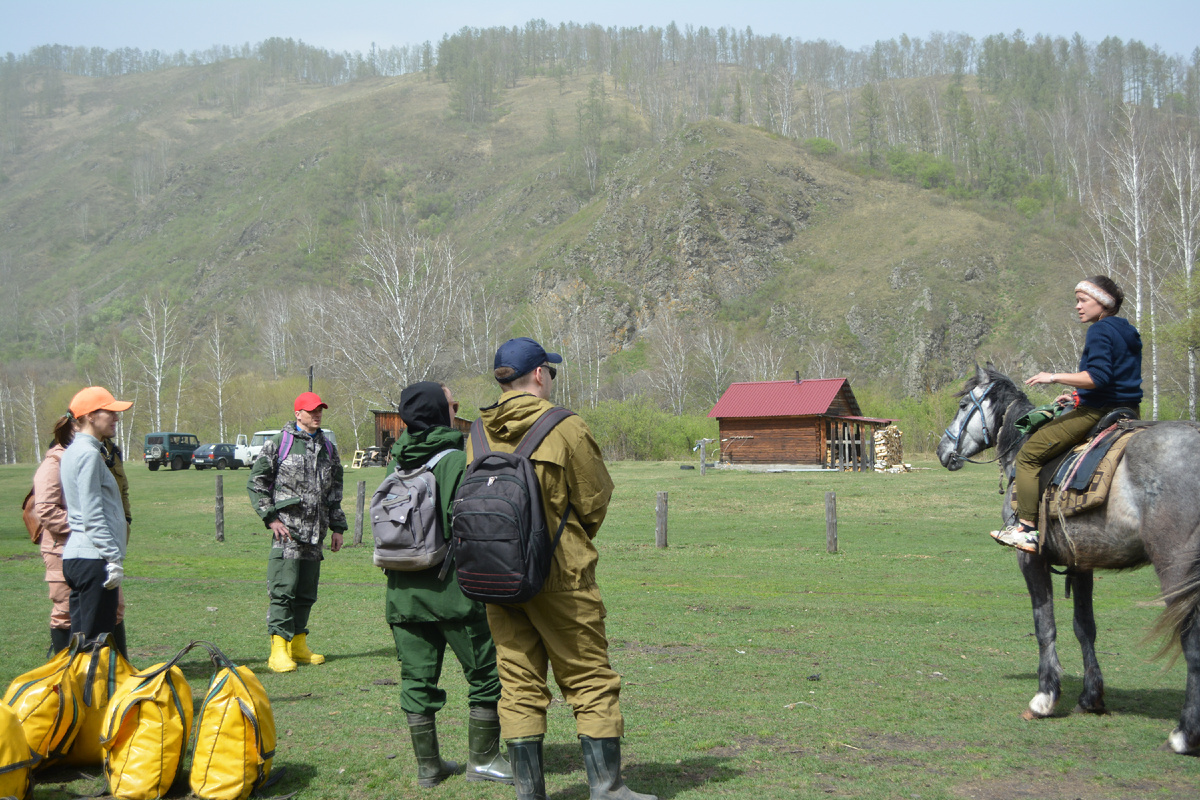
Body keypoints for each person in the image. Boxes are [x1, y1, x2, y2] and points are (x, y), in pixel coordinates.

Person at [470, 337, 655, 800]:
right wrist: (568, 539)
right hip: (561, 576)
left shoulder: (475, 432)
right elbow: (594, 500)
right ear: (538, 374)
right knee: (589, 677)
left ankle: (529, 793)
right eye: (549, 371)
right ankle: (607, 789)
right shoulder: (566, 426)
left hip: (496, 577)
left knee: (517, 683)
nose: (550, 377)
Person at [384, 381, 512, 787]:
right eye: (451, 404)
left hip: (403, 593)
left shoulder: (395, 462)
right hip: (454, 593)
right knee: (485, 673)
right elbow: (473, 528)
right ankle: (485, 759)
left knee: (416, 679)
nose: (456, 409)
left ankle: (428, 767)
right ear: (441, 412)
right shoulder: (457, 460)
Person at [992, 276, 1143, 552]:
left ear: (1103, 303)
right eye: (1077, 300)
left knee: (1028, 455)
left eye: (1083, 300)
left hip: (1096, 412)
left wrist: (1053, 377)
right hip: (1129, 411)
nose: (1077, 306)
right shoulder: (1128, 330)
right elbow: (1117, 378)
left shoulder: (1099, 331)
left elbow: (1097, 377)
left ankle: (1026, 529)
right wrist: (1077, 395)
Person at [248, 391, 347, 673]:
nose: (317, 414)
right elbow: (256, 482)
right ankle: (278, 649)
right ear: (298, 414)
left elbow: (335, 492)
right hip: (287, 534)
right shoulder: (280, 443)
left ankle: (298, 644)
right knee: (283, 590)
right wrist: (270, 519)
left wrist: (337, 527)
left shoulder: (328, 448)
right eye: (311, 410)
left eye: (320, 410)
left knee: (306, 592)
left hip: (316, 534)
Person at [33, 416, 132, 656]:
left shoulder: (104, 454)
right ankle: (64, 673)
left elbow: (120, 493)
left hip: (97, 547)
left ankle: (115, 672)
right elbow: (46, 509)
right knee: (67, 615)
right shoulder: (61, 459)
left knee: (112, 611)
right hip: (66, 548)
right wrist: (86, 527)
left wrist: (122, 523)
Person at [59, 387, 133, 641]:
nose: (116, 418)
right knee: (93, 643)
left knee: (83, 639)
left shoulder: (75, 451)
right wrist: (112, 558)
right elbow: (92, 514)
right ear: (90, 416)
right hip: (93, 559)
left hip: (81, 557)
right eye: (110, 412)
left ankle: (80, 682)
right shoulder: (89, 455)